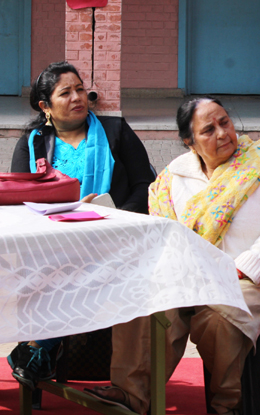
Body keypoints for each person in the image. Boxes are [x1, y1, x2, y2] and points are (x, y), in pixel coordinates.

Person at [85, 97, 260, 415]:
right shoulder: (174, 177)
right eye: (208, 130)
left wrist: (240, 269)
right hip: (190, 274)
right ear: (190, 141)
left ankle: (227, 405)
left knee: (218, 318)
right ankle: (131, 394)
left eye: (225, 122)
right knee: (142, 300)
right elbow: (163, 233)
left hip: (253, 278)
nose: (222, 133)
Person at [7, 61, 155, 390]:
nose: (77, 97)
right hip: (52, 241)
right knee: (50, 266)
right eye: (65, 93)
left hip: (113, 238)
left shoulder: (115, 131)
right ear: (45, 106)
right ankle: (39, 352)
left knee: (71, 268)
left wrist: (113, 216)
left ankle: (36, 350)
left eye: (80, 89)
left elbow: (145, 185)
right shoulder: (32, 143)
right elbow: (20, 199)